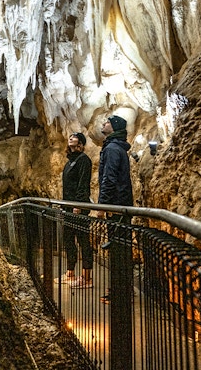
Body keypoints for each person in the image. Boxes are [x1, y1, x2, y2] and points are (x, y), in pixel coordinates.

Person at [97, 114, 133, 318]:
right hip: (122, 205)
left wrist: (103, 205)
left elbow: (108, 178)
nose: (104, 124)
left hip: (116, 207)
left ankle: (120, 292)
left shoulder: (111, 149)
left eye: (107, 122)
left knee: (118, 249)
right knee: (122, 248)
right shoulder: (118, 147)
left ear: (115, 127)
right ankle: (122, 290)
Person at [54, 132, 94, 289]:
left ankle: (87, 277)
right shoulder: (70, 162)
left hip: (78, 207)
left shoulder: (84, 160)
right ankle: (70, 273)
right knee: (68, 239)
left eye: (75, 137)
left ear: (81, 143)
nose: (71, 138)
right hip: (68, 206)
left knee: (83, 240)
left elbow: (83, 184)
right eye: (70, 137)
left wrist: (78, 204)